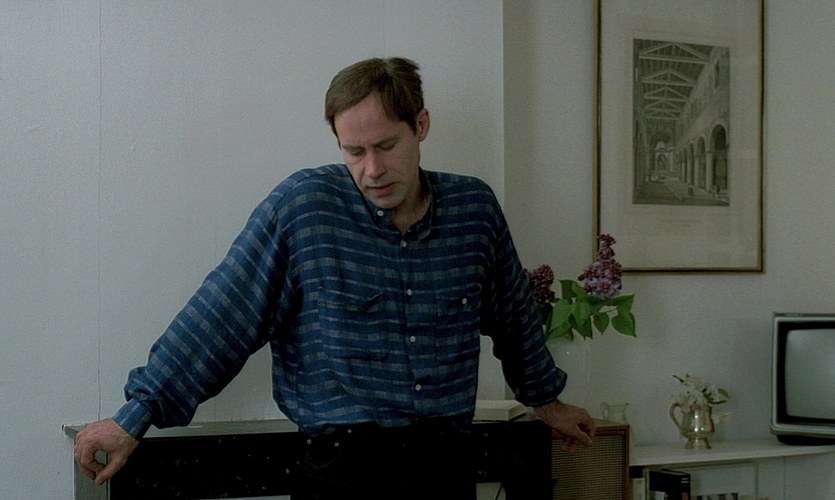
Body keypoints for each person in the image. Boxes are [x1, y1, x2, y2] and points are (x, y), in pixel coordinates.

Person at [74, 56, 595, 499]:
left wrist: (547, 401)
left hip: (446, 464)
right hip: (341, 468)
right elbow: (222, 316)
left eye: (386, 146)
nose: (372, 169)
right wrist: (134, 416)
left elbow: (514, 317)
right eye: (354, 152)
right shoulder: (305, 208)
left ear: (421, 125)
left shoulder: (473, 210)